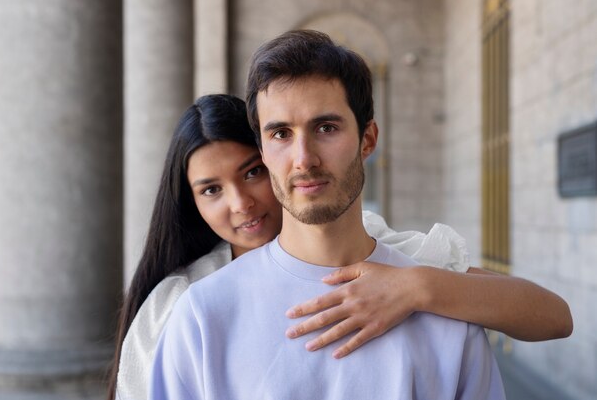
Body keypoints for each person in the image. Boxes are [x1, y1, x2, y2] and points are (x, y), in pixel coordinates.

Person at [109, 90, 572, 399]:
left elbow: (554, 317)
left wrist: (418, 288)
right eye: (211, 190)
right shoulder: (186, 303)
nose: (240, 203)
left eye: (251, 173)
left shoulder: (385, 254)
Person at [147, 30, 497, 399]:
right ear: (263, 151)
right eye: (281, 134)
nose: (304, 159)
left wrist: (422, 289)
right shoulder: (201, 317)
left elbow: (556, 315)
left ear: (368, 140)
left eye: (326, 128)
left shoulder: (446, 311)